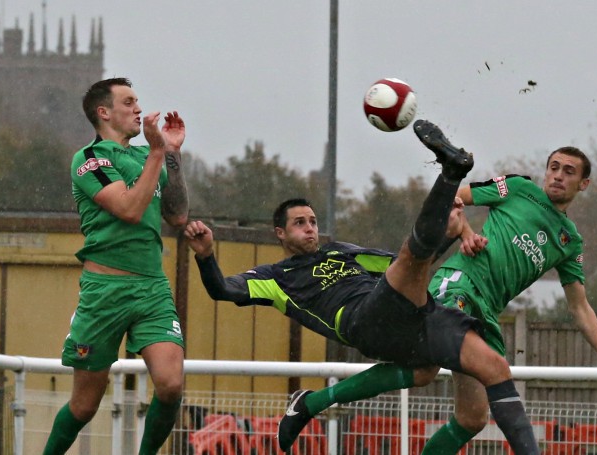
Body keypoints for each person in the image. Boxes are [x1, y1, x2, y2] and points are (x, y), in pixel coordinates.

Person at [184, 120, 541, 455]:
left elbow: (410, 264)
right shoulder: (276, 277)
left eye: (312, 221)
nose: (309, 228)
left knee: (492, 368)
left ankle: (310, 403)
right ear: (280, 233)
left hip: (413, 314)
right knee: (410, 260)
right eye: (299, 223)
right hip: (363, 321)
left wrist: (447, 239)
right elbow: (223, 291)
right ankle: (449, 174)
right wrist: (205, 256)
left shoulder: (342, 252)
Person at [275, 132, 597, 453]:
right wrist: (465, 233)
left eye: (569, 171)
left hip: (487, 309)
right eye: (554, 167)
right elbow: (452, 200)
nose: (558, 175)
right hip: (458, 284)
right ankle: (311, 404)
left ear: (584, 184)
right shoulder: (518, 188)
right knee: (430, 367)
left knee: (471, 418)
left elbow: (579, 306)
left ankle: (310, 403)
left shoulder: (569, 241)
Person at [43, 77, 189, 455]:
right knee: (84, 406)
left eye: (138, 101)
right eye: (128, 102)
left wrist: (170, 152)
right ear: (103, 112)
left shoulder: (146, 155)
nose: (138, 109)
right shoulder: (90, 159)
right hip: (104, 291)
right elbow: (128, 208)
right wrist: (157, 154)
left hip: (152, 289)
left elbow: (177, 215)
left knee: (171, 385)